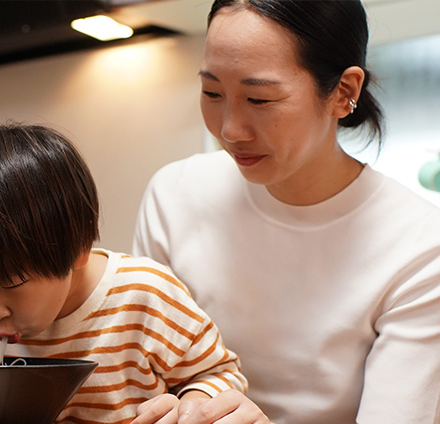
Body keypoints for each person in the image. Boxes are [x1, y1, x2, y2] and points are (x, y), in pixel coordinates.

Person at [133, 1, 440, 423]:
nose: (230, 130)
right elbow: (141, 375)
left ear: (344, 92)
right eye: (212, 92)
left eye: (259, 99)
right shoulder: (175, 195)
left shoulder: (421, 247)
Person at [0, 123, 269, 424]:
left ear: (78, 248)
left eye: (11, 285)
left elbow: (219, 375)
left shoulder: (145, 297)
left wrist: (193, 407)